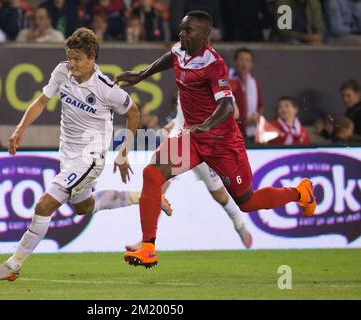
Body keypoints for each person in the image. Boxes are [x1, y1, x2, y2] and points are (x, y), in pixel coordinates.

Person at [115, 11, 317, 268]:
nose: (182, 34)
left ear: (205, 35)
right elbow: (172, 57)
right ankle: (147, 248)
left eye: (189, 31)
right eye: (182, 29)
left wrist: (206, 125)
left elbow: (226, 104)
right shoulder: (180, 50)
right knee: (152, 174)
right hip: (192, 137)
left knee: (247, 202)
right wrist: (142, 75)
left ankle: (300, 192)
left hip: (222, 143)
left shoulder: (215, 64)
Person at [0, 28, 171, 281]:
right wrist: (21, 129)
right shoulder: (61, 71)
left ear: (92, 59)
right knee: (83, 207)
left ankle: (13, 265)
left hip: (91, 156)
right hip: (68, 154)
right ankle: (145, 197)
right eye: (69, 57)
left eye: (77, 59)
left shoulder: (106, 89)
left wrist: (123, 151)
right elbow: (42, 101)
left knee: (44, 206)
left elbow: (133, 113)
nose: (71, 63)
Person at [126, 101, 253, 252]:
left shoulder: (215, 85)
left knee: (220, 196)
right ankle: (146, 242)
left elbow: (234, 112)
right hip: (179, 143)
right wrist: (174, 124)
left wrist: (208, 126)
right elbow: (182, 115)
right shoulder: (183, 84)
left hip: (204, 145)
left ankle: (239, 223)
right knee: (156, 187)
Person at [229, 48, 263, 144]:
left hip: (251, 132)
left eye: (248, 60)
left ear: (251, 64)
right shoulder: (227, 80)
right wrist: (243, 121)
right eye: (241, 59)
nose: (244, 63)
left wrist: (257, 116)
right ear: (235, 62)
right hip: (232, 132)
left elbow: (260, 106)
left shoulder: (254, 82)